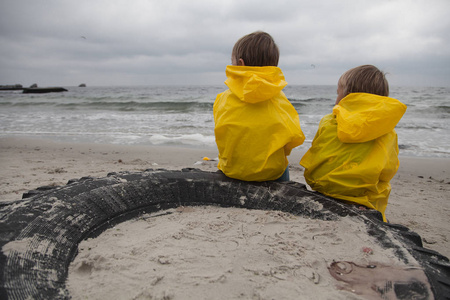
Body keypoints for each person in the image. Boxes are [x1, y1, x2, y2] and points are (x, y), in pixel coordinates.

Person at [300, 65, 407, 222]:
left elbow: (316, 153)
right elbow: (389, 170)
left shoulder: (328, 121)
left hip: (324, 187)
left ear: (347, 97)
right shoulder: (388, 132)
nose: (336, 99)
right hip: (363, 197)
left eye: (338, 93)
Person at [214, 31, 305, 182]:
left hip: (233, 170)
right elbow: (294, 137)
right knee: (281, 163)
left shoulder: (223, 98)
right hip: (270, 173)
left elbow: (222, 131)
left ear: (240, 64)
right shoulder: (279, 100)